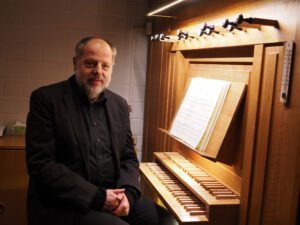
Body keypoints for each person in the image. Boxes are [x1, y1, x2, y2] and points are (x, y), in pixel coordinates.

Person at [25, 36, 177, 225]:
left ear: (112, 67)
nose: (98, 71)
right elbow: (41, 164)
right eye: (90, 64)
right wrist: (98, 197)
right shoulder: (46, 99)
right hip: (65, 203)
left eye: (105, 66)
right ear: (75, 63)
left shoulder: (119, 105)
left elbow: (128, 157)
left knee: (167, 221)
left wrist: (128, 194)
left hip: (114, 194)